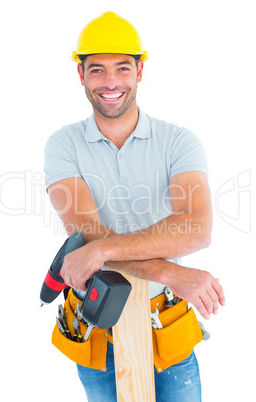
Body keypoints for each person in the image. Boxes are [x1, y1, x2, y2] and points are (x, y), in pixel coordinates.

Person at [44, 11, 225, 402]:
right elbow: (85, 232)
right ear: (81, 75)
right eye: (97, 70)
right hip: (97, 324)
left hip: (166, 320)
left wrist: (102, 251)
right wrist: (168, 270)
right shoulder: (63, 146)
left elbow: (196, 228)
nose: (110, 82)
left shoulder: (178, 142)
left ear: (140, 71)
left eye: (122, 68)